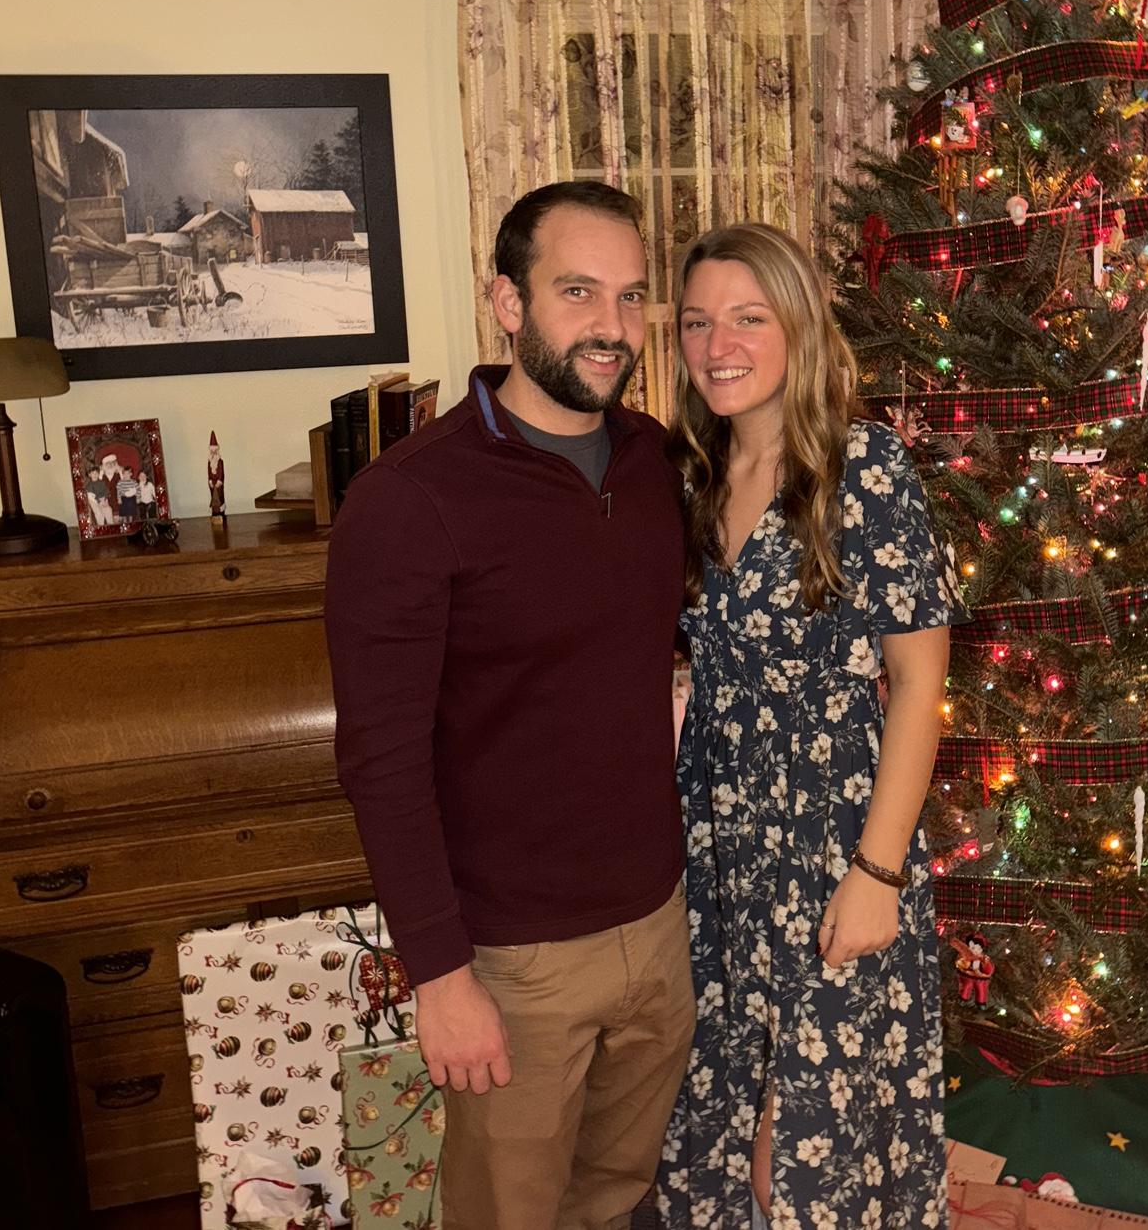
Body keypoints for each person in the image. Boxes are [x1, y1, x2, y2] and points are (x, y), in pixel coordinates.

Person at [324, 181, 694, 1230]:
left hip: (660, 923)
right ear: (507, 301)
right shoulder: (409, 500)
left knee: (616, 1201)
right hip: (516, 959)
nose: (612, 327)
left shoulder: (652, 459)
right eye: (578, 291)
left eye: (630, 298)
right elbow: (382, 760)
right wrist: (440, 976)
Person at [658, 223, 957, 1228]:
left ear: (798, 329)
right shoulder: (691, 475)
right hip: (721, 857)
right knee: (720, 1131)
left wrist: (877, 877)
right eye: (699, 323)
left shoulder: (863, 469)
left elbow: (920, 684)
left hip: (833, 849)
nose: (718, 344)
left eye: (749, 318)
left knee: (804, 1156)